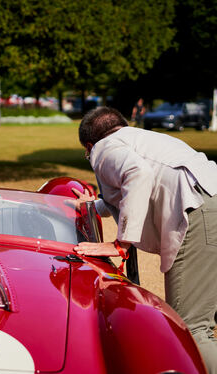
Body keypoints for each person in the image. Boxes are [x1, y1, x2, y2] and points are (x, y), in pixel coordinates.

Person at [72, 106, 217, 372]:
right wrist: (94, 207)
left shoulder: (104, 149)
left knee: (190, 327)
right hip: (210, 199)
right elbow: (128, 191)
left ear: (89, 146)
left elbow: (138, 175)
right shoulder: (141, 139)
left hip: (200, 212)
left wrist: (121, 243)